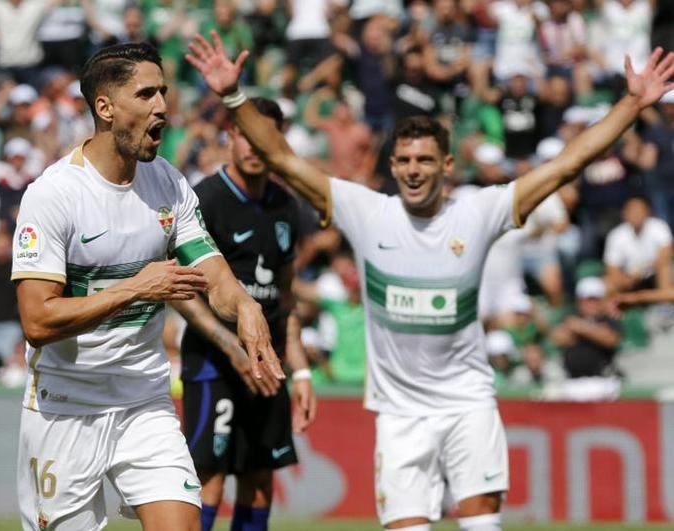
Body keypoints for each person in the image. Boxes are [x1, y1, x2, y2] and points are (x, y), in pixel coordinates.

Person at [187, 32, 674, 531]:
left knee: (482, 523)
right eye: (404, 161)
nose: (413, 171)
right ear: (392, 166)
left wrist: (632, 104)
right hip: (399, 415)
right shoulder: (367, 212)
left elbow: (567, 164)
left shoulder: (480, 211)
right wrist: (232, 96)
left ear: (446, 165)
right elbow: (283, 158)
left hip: (468, 403)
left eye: (424, 160)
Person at [11, 42, 283, 531]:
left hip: (144, 402)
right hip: (66, 407)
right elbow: (37, 321)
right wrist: (133, 289)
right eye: (146, 94)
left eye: (164, 91)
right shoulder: (53, 196)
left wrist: (244, 305)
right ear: (105, 108)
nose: (162, 106)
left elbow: (212, 273)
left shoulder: (169, 183)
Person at [172, 96, 317, 531]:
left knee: (259, 477)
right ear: (230, 137)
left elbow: (284, 298)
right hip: (214, 362)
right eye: (246, 136)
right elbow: (179, 291)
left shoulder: (287, 207)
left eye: (265, 138)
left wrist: (303, 371)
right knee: (209, 474)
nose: (255, 147)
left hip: (267, 365)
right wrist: (231, 346)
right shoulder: (206, 199)